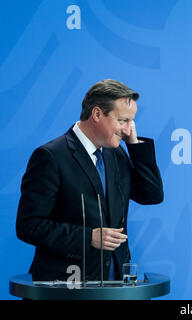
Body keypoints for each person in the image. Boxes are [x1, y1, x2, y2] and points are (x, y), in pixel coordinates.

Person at [16, 79, 164, 281]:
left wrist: (135, 145)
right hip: (66, 287)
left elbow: (152, 195)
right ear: (97, 114)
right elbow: (28, 225)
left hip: (115, 286)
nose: (128, 129)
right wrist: (88, 238)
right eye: (123, 121)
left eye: (132, 121)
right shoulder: (50, 157)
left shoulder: (117, 153)